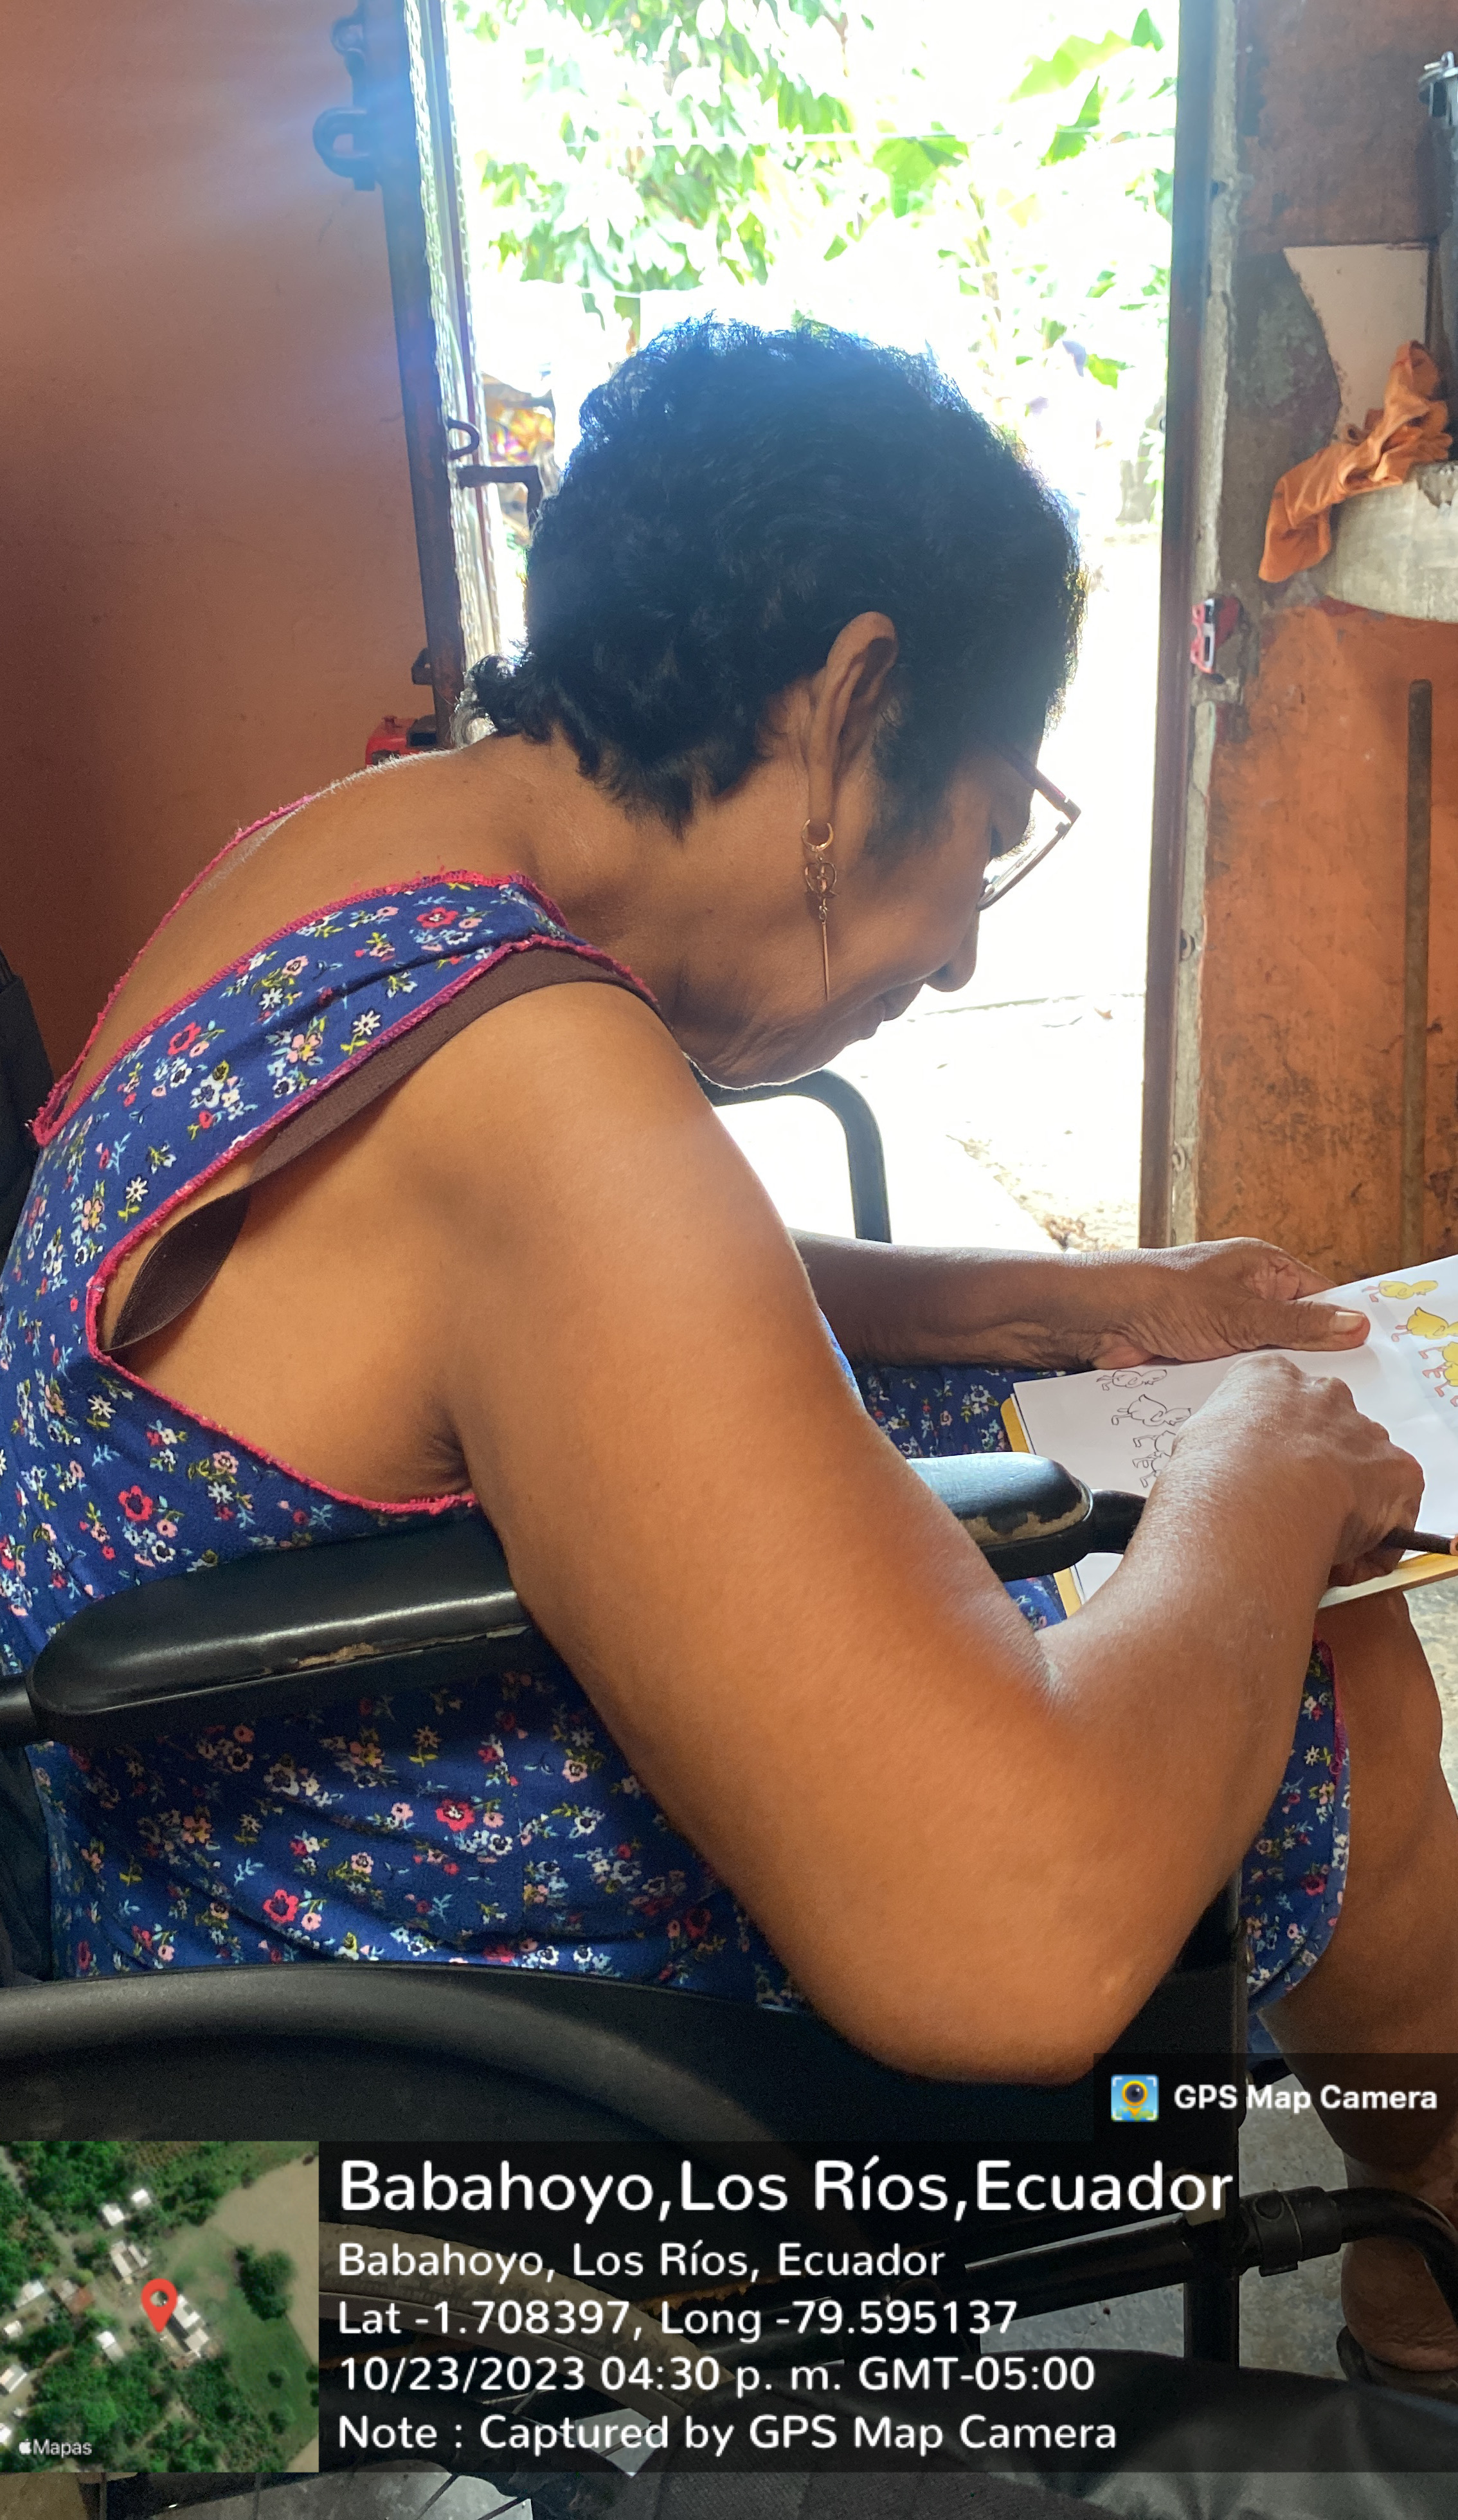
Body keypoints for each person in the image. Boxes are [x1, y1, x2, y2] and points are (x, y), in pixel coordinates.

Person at [2, 321, 1456, 2386]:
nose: (960, 943)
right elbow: (1008, 1946)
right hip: (354, 2149)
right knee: (1311, 1649)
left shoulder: (364, 850)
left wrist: (1062, 1302)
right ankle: (1428, 2270)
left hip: (173, 1944)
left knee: (1137, 1517)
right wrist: (1252, 1471)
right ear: (852, 700)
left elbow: (505, 1301)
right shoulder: (538, 1092)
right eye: (982, 830)